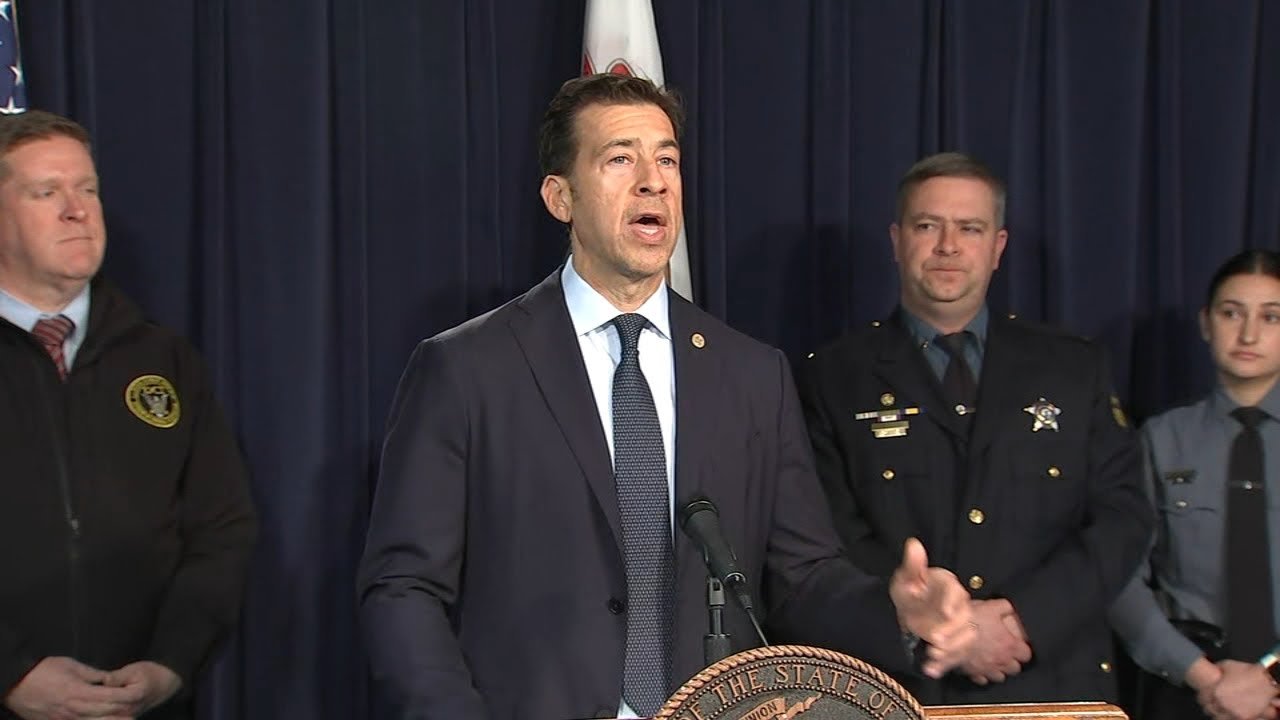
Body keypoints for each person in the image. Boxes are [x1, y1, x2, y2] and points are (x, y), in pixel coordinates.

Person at [358, 74, 975, 720]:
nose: (653, 181)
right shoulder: (467, 369)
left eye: (668, 160)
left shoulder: (752, 375)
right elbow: (403, 588)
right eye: (620, 159)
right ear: (560, 197)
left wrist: (895, 613)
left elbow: (803, 580)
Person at [796, 151, 1153, 705]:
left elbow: (1122, 519)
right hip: (905, 685)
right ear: (896, 240)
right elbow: (827, 534)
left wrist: (1022, 619)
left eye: (970, 228)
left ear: (998, 247)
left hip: (1054, 680)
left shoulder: (1073, 367)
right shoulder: (834, 377)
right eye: (927, 226)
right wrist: (937, 627)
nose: (948, 246)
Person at [0, 110, 257, 719]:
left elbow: (221, 529)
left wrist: (170, 664)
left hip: (140, 703)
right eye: (46, 192)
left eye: (86, 188)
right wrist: (10, 675)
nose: (77, 210)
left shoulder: (163, 358)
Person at [1110, 249, 1280, 720]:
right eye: (1232, 314)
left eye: (1271, 317)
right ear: (1206, 323)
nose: (1248, 334)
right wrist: (1205, 678)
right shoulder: (1161, 439)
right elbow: (1122, 577)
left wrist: (1268, 680)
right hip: (1190, 688)